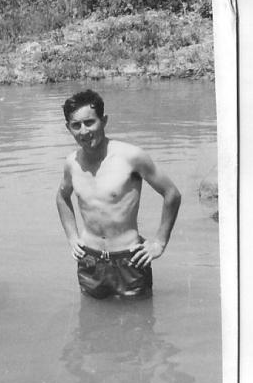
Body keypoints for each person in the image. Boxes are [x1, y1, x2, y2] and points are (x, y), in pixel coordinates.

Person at [56, 89, 181, 299]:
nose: (84, 131)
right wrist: (72, 237)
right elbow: (61, 197)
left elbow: (172, 194)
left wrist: (159, 242)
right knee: (91, 317)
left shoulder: (132, 156)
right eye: (76, 125)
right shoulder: (72, 163)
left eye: (89, 122)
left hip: (130, 259)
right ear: (68, 128)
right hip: (89, 260)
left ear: (104, 120)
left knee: (139, 317)